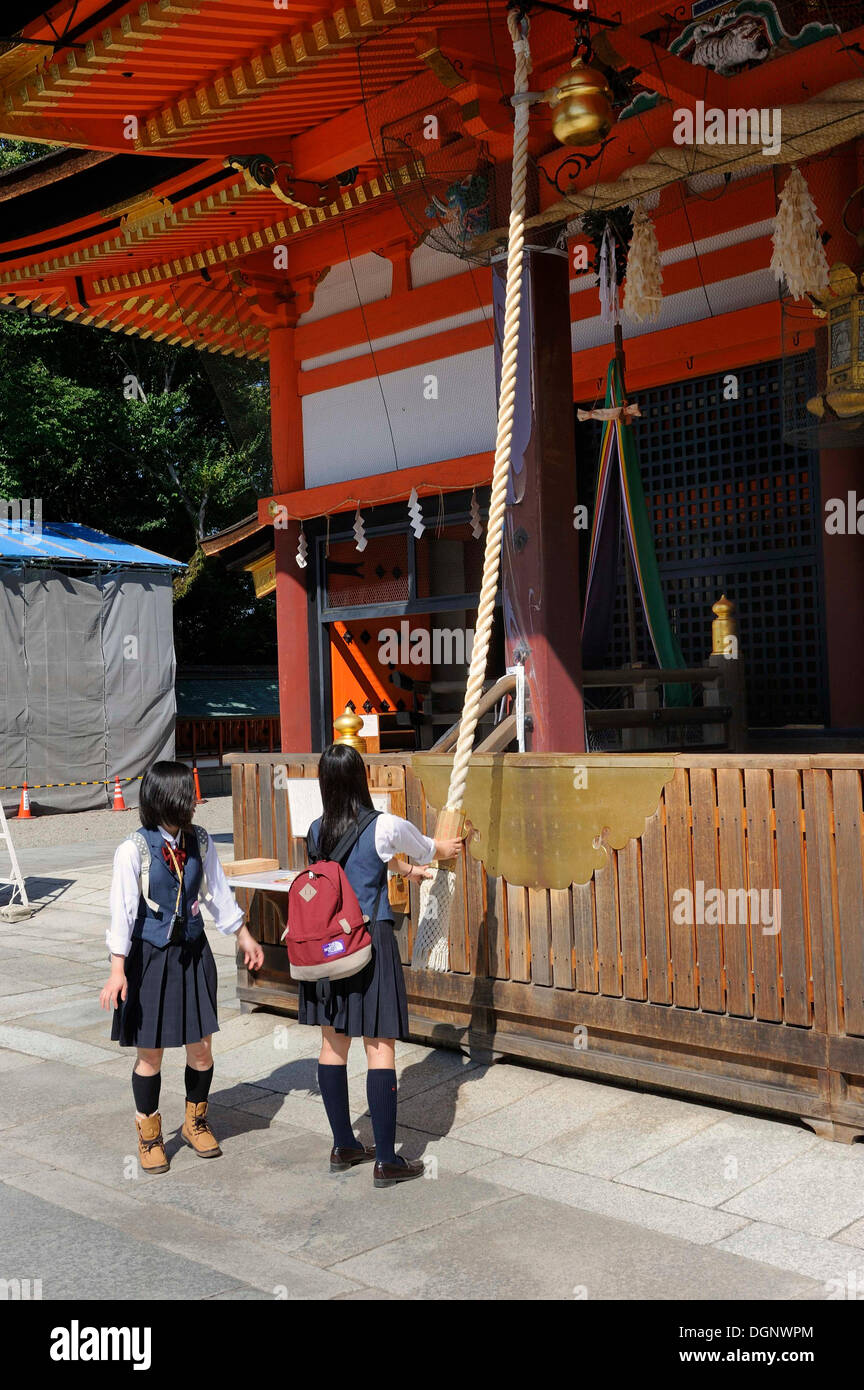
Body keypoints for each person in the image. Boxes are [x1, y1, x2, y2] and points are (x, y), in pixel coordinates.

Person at [300, 742, 464, 1188]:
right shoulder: (384, 825)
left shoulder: (315, 831)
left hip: (330, 949)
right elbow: (429, 847)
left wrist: (407, 873)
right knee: (380, 1047)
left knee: (333, 1045)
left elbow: (342, 875)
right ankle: (387, 1160)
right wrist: (445, 848)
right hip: (370, 943)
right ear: (360, 779)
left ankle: (343, 1145)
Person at [99, 760, 264, 1174]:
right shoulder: (132, 850)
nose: (193, 801)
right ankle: (149, 1133)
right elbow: (122, 913)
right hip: (150, 958)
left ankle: (195, 1120)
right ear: (164, 799)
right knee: (150, 1053)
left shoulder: (201, 841)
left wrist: (243, 936)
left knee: (202, 1047)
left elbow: (217, 895)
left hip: (192, 953)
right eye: (186, 795)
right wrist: (117, 970)